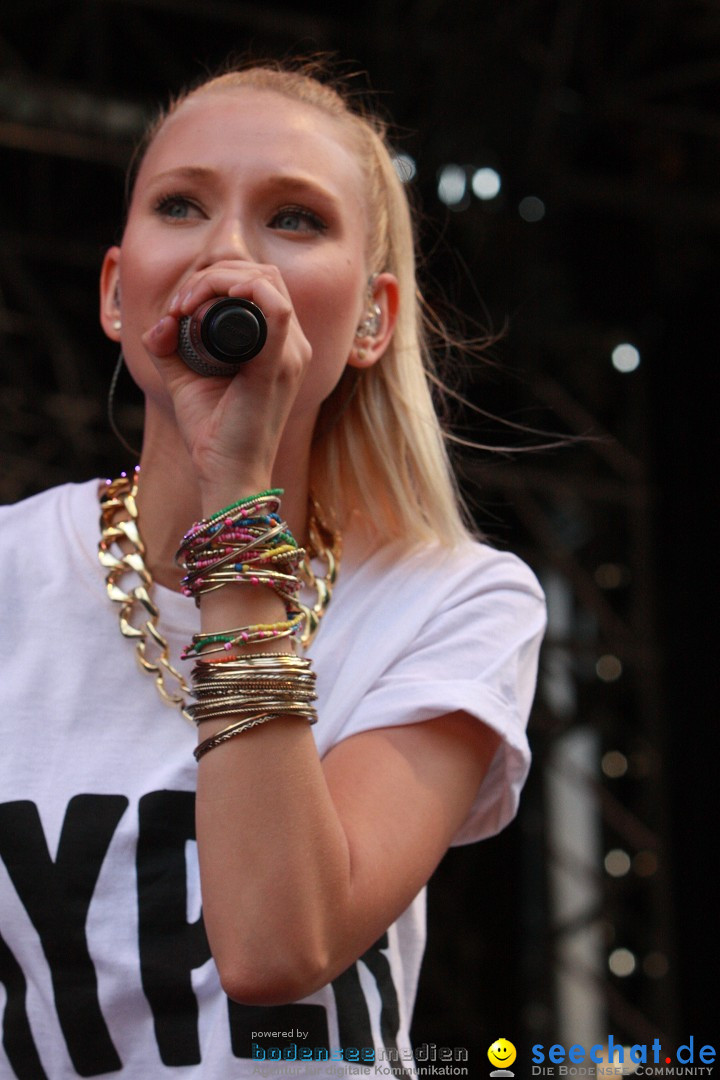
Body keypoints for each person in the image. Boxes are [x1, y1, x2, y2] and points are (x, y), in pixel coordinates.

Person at [0, 61, 546, 1079]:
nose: (228, 251)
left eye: (293, 219)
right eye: (182, 204)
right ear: (120, 292)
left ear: (374, 320)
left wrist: (235, 497)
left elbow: (273, 948)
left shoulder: (455, 602)